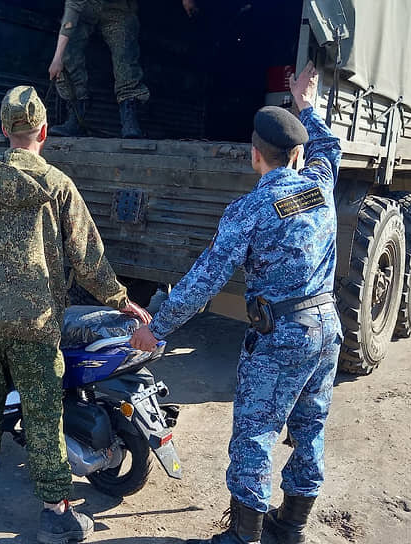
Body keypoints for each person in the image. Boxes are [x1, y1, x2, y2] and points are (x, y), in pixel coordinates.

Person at [131, 62, 342, 544]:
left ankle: (243, 536)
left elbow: (203, 281)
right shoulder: (321, 184)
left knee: (255, 433)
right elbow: (328, 147)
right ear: (297, 154)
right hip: (327, 328)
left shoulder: (250, 209)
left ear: (254, 155)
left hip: (282, 336)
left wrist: (157, 328)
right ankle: (291, 527)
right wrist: (305, 103)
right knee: (310, 428)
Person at [0, 85, 151, 543]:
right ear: (44, 131)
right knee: (44, 416)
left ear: (4, 131)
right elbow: (88, 258)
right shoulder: (58, 186)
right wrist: (119, 300)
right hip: (35, 325)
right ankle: (55, 512)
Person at [47, 0, 149, 138]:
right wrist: (57, 58)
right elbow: (71, 12)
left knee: (125, 55)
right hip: (86, 9)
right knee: (68, 50)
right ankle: (76, 117)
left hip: (119, 9)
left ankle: (130, 117)